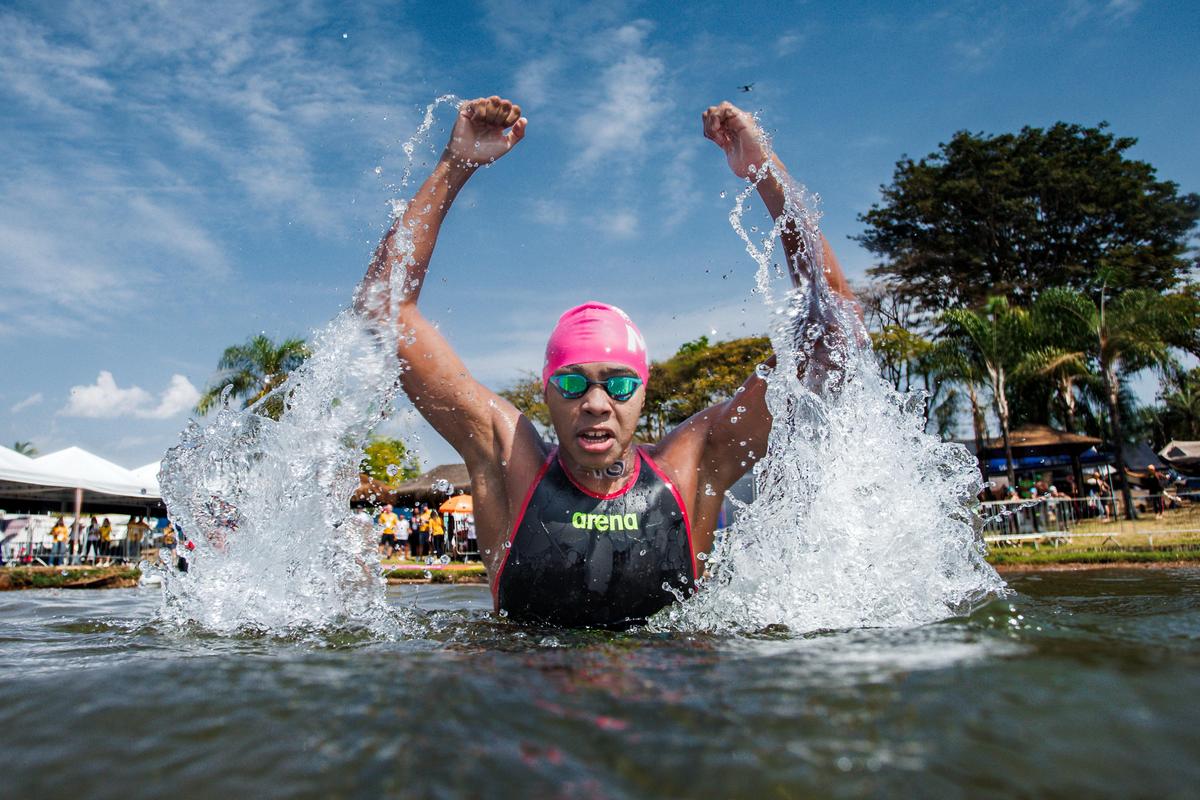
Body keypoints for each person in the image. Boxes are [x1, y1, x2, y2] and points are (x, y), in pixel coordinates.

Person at [355, 96, 858, 627]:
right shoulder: (511, 461)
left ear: (643, 391)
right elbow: (383, 308)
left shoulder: (692, 467)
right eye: (573, 383)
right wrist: (455, 165)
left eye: (618, 385)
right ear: (546, 391)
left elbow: (836, 333)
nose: (595, 404)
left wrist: (764, 171)